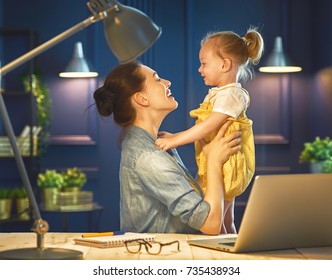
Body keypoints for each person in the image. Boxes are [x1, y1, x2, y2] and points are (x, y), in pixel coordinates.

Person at [93, 61, 241, 235]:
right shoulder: (149, 157)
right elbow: (210, 225)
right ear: (142, 99)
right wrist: (214, 163)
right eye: (157, 79)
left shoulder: (153, 143)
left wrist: (209, 159)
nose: (167, 82)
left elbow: (193, 202)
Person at [155, 27, 264, 233]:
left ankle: (223, 255)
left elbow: (209, 125)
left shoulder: (231, 95)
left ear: (225, 64)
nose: (199, 69)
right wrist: (175, 136)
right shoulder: (220, 94)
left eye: (204, 64)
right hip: (218, 160)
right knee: (227, 217)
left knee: (217, 218)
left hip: (226, 164)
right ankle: (232, 251)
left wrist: (175, 140)